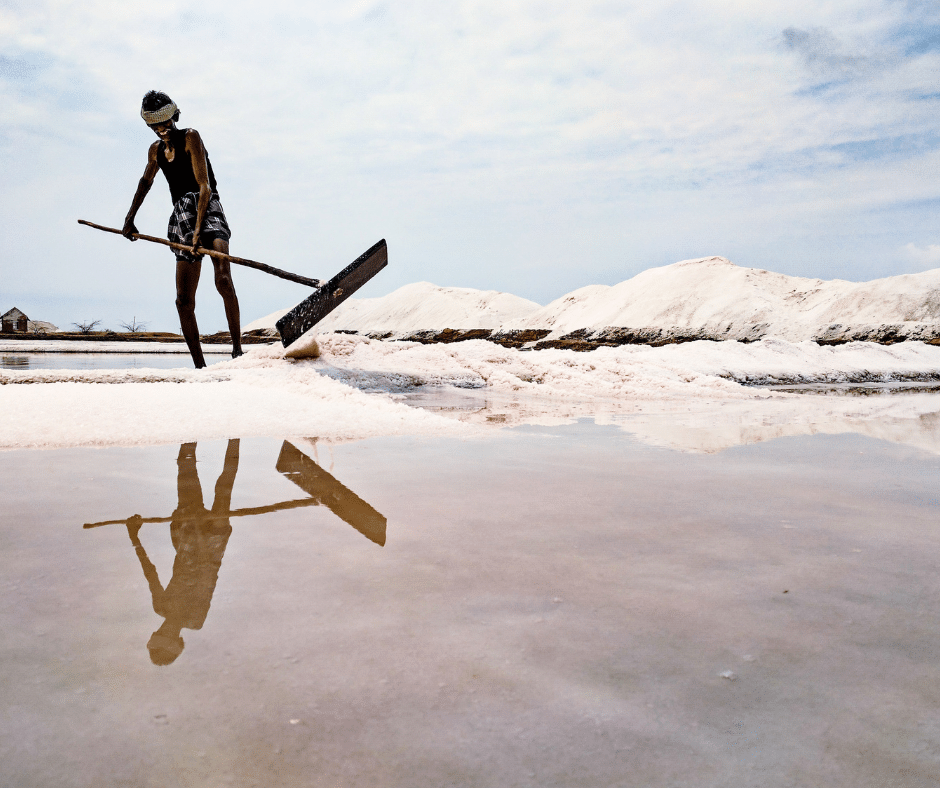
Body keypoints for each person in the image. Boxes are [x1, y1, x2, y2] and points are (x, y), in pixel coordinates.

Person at [122, 90, 242, 367]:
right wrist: (129, 220)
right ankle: (200, 366)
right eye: (154, 125)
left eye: (164, 122)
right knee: (183, 300)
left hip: (207, 209)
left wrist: (199, 230)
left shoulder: (191, 136)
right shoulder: (155, 151)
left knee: (223, 279)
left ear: (174, 117)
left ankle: (237, 350)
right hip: (181, 218)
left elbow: (204, 185)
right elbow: (145, 183)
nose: (161, 130)